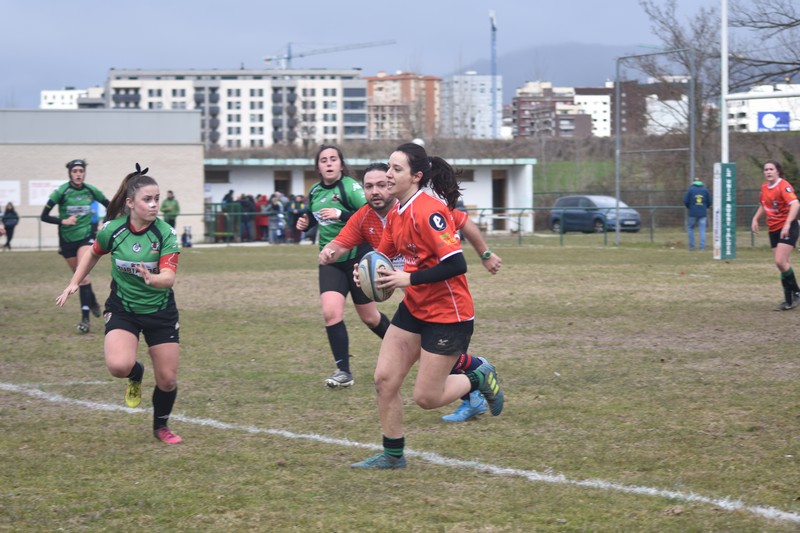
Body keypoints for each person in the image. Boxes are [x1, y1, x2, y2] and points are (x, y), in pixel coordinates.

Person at [349, 143, 505, 469]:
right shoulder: (396, 212)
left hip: (449, 314)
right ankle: (393, 455)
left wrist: (407, 279)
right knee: (384, 380)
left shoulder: (429, 211)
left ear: (416, 176)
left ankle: (477, 374)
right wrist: (366, 272)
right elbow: (384, 259)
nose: (388, 175)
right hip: (415, 309)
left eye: (396, 170)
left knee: (427, 398)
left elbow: (456, 265)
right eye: (388, 168)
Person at [320, 162, 503, 423]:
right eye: (369, 186)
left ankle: (474, 385)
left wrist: (485, 254)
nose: (375, 191)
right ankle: (394, 453)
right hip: (413, 300)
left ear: (395, 182)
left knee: (431, 375)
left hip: (441, 301)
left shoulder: (419, 209)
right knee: (405, 367)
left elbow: (464, 225)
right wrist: (334, 256)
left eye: (382, 184)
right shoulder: (365, 216)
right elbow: (343, 243)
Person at [55, 163, 184, 444]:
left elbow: (170, 278)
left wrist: (153, 278)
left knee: (168, 381)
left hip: (160, 311)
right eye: (147, 199)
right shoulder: (113, 230)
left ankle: (161, 426)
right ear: (130, 203)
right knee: (118, 366)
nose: (153, 205)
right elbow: (92, 253)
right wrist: (75, 281)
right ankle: (135, 374)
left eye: (156, 199)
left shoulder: (165, 233)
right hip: (123, 309)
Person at [296, 145, 391, 388]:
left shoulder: (352, 187)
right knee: (331, 313)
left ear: (341, 164)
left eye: (333, 159)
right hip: (330, 261)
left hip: (358, 258)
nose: (328, 163)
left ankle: (403, 346)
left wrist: (341, 214)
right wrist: (304, 224)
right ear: (318, 166)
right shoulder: (315, 191)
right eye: (323, 160)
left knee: (370, 318)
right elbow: (314, 218)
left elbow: (369, 214)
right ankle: (343, 372)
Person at [41, 159, 109, 333]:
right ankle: (92, 301)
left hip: (86, 238)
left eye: (81, 171)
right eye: (75, 171)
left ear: (84, 173)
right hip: (67, 240)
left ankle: (85, 320)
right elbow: (44, 216)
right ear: (70, 173)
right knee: (78, 277)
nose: (78, 174)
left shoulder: (90, 190)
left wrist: (104, 223)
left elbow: (111, 206)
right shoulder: (62, 192)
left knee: (83, 276)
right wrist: (63, 220)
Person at [751, 160, 800, 311]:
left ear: (778, 171)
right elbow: (763, 204)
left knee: (780, 261)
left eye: (771, 169)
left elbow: (796, 204)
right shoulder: (764, 187)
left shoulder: (783, 185)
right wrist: (755, 218)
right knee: (783, 264)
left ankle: (797, 292)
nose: (768, 172)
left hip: (788, 227)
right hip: (773, 229)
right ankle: (788, 300)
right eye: (766, 169)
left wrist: (787, 224)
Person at [683, 179, 711, 251]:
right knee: (702, 229)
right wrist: (705, 207)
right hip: (703, 213)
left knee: (690, 228)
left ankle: (692, 247)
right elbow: (709, 202)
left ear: (693, 183)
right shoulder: (705, 190)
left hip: (692, 213)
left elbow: (685, 201)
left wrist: (689, 207)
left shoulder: (690, 190)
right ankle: (702, 247)